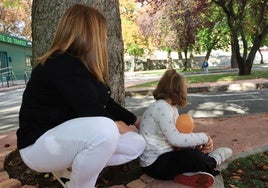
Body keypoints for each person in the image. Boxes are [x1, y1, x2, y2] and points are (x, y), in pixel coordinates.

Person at [17, 4, 145, 188]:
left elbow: (106, 102)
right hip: (37, 146)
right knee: (106, 130)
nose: (104, 39)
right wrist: (123, 127)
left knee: (137, 143)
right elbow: (92, 112)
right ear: (89, 35)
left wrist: (134, 120)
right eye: (102, 35)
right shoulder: (61, 64)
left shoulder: (83, 67)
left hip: (63, 141)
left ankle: (70, 172)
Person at [139, 69, 232, 188]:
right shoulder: (162, 108)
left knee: (192, 152)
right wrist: (203, 137)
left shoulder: (170, 108)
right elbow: (176, 139)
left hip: (165, 158)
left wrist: (195, 144)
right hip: (154, 165)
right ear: (178, 91)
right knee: (193, 157)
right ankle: (213, 161)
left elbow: (178, 136)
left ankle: (186, 175)